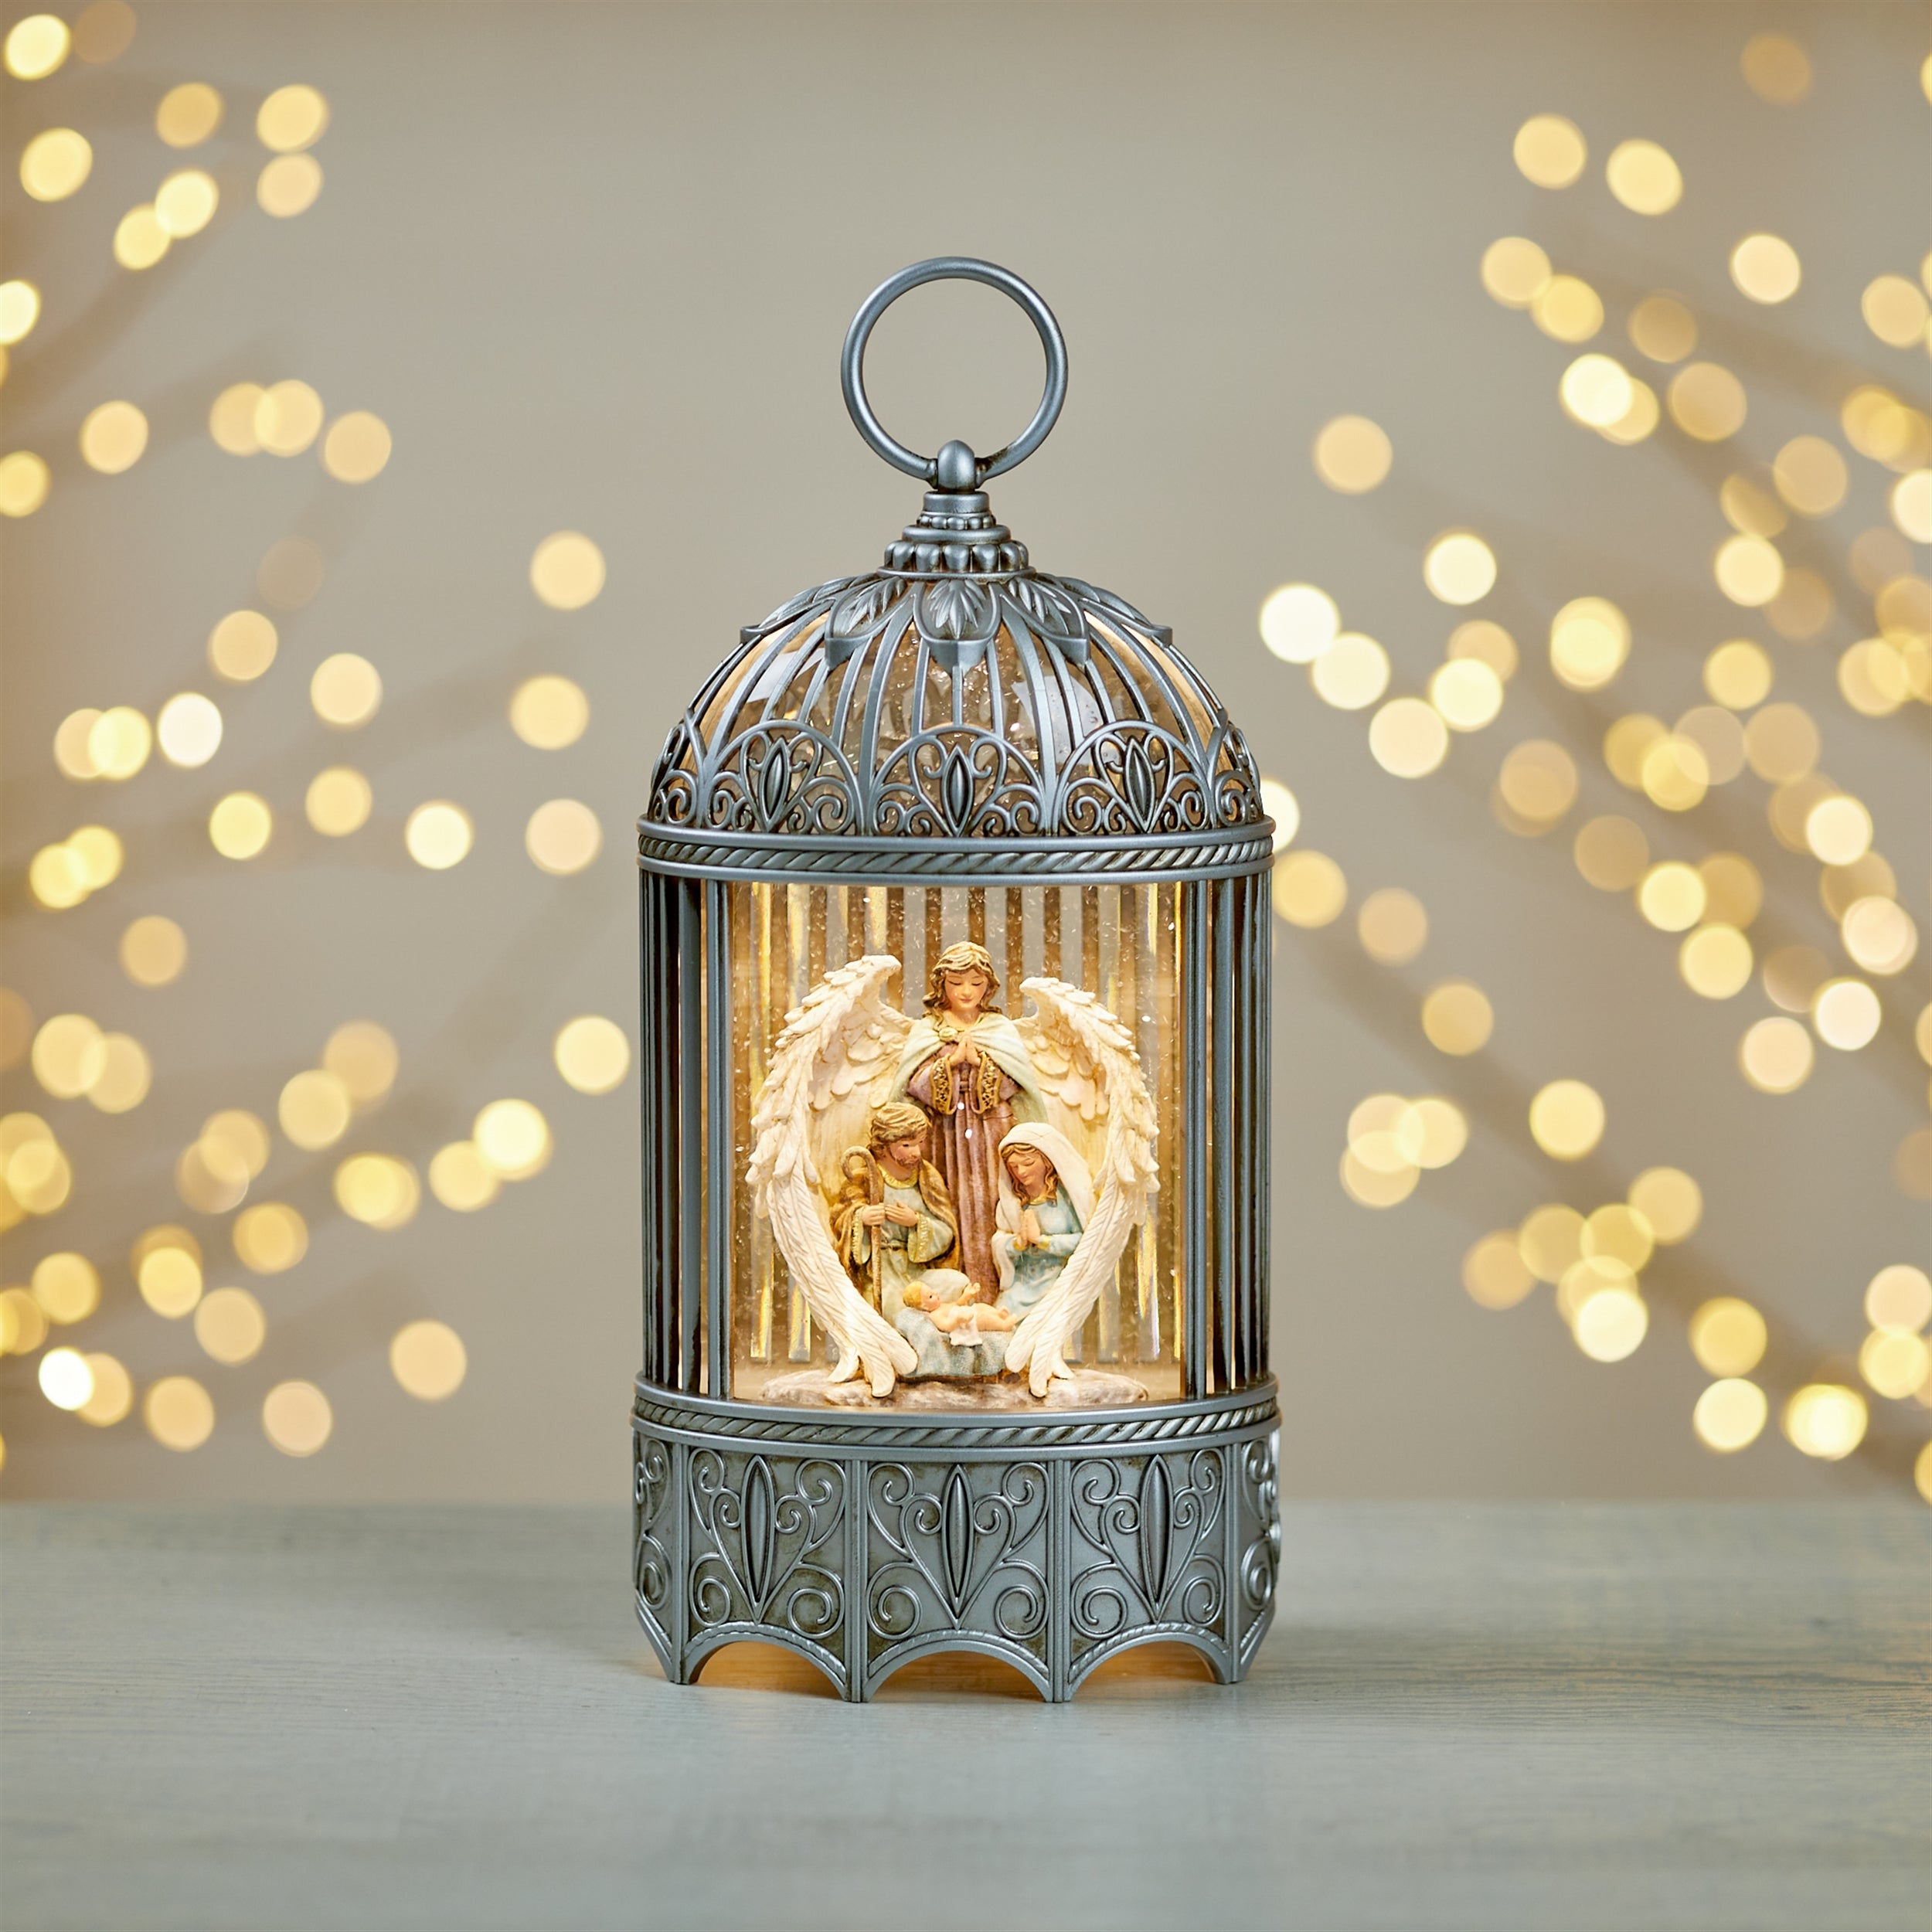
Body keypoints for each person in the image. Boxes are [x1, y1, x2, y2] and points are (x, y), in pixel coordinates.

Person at [892, 941, 1043, 1299]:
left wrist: (978, 1064)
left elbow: (1018, 1083)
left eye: (976, 983)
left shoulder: (998, 1028)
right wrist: (949, 1063)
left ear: (988, 986)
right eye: (956, 983)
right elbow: (911, 1085)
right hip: (943, 1133)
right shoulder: (928, 1029)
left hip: (991, 1130)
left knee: (992, 1201)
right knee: (945, 1202)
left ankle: (995, 1289)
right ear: (941, 985)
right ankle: (948, 1292)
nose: (966, 991)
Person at [829, 1100, 1009, 1379]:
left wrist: (917, 1223)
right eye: (906, 1145)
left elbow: (946, 1232)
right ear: (885, 1145)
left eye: (920, 1143)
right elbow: (840, 1219)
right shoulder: (865, 1176)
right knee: (898, 1309)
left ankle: (964, 1353)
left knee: (957, 1283)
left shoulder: (926, 1177)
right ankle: (917, 1363)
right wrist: (861, 1218)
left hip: (917, 1272)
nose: (916, 1152)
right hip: (881, 1273)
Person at [989, 1122, 1094, 1325]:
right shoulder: (1012, 1203)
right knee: (1001, 1323)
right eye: (1013, 1167)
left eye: (1028, 1163)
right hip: (1022, 1285)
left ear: (1047, 1161)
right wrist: (1018, 1243)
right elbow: (999, 1241)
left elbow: (1084, 1240)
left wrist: (1042, 1241)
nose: (1021, 1172)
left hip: (1058, 1282)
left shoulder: (1067, 1200)